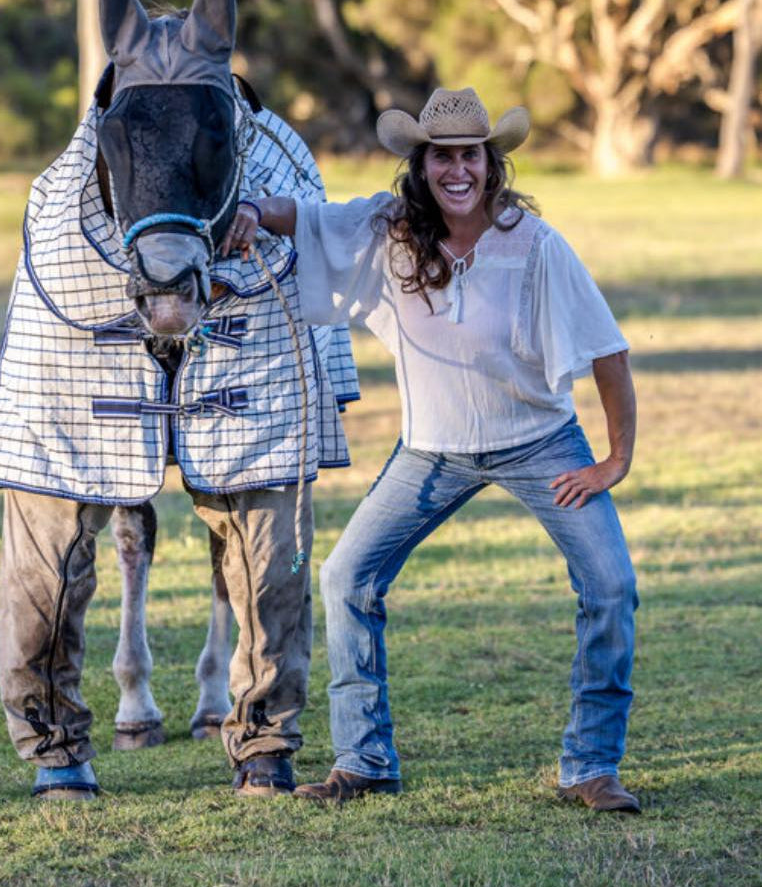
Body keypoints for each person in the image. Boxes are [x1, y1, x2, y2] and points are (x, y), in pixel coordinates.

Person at [222, 86, 641, 812]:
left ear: (490, 163)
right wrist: (256, 212)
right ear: (421, 165)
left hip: (540, 443)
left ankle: (591, 767)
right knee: (346, 578)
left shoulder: (535, 244)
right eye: (441, 156)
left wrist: (614, 461)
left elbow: (608, 353)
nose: (457, 170)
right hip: (433, 453)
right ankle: (366, 760)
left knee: (610, 587)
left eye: (469, 156)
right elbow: (308, 219)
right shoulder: (389, 229)